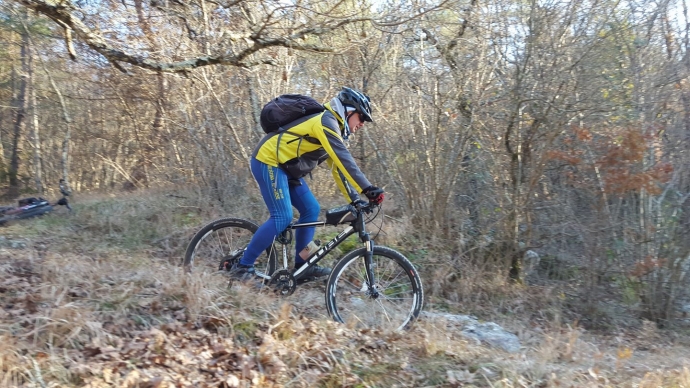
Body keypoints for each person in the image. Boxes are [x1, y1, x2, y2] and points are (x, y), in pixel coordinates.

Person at [229, 87, 385, 282]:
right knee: (283, 216)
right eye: (361, 117)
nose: (362, 124)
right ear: (348, 110)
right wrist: (367, 189)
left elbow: (338, 168)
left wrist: (355, 199)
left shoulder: (334, 128)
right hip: (268, 160)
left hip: (287, 169)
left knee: (311, 209)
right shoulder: (326, 121)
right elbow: (344, 159)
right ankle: (243, 265)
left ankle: (303, 266)